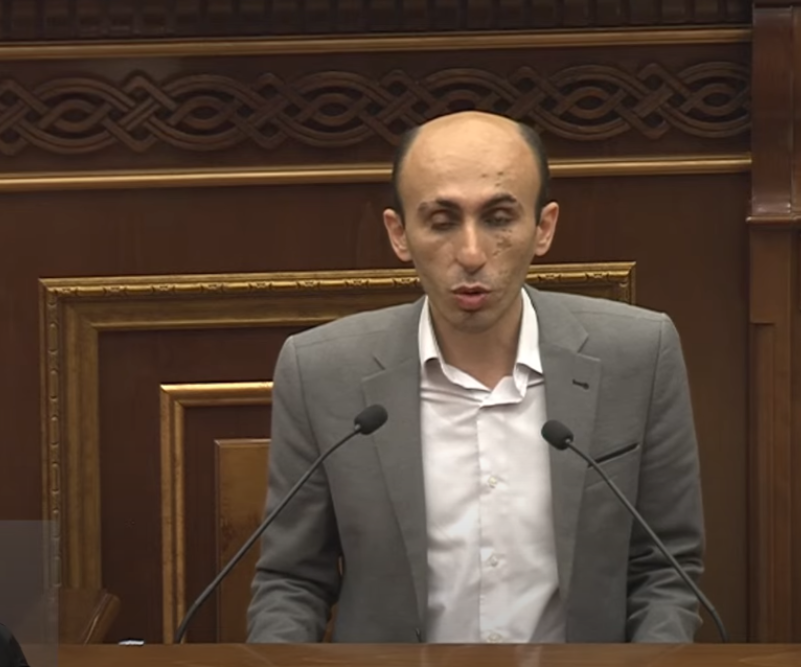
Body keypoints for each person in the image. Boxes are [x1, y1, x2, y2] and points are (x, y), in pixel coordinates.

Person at [246, 110, 706, 644]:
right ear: (399, 234)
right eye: (442, 221)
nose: (471, 254)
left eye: (498, 218)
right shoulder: (323, 371)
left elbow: (665, 570)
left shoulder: (638, 354)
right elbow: (293, 581)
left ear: (544, 227)